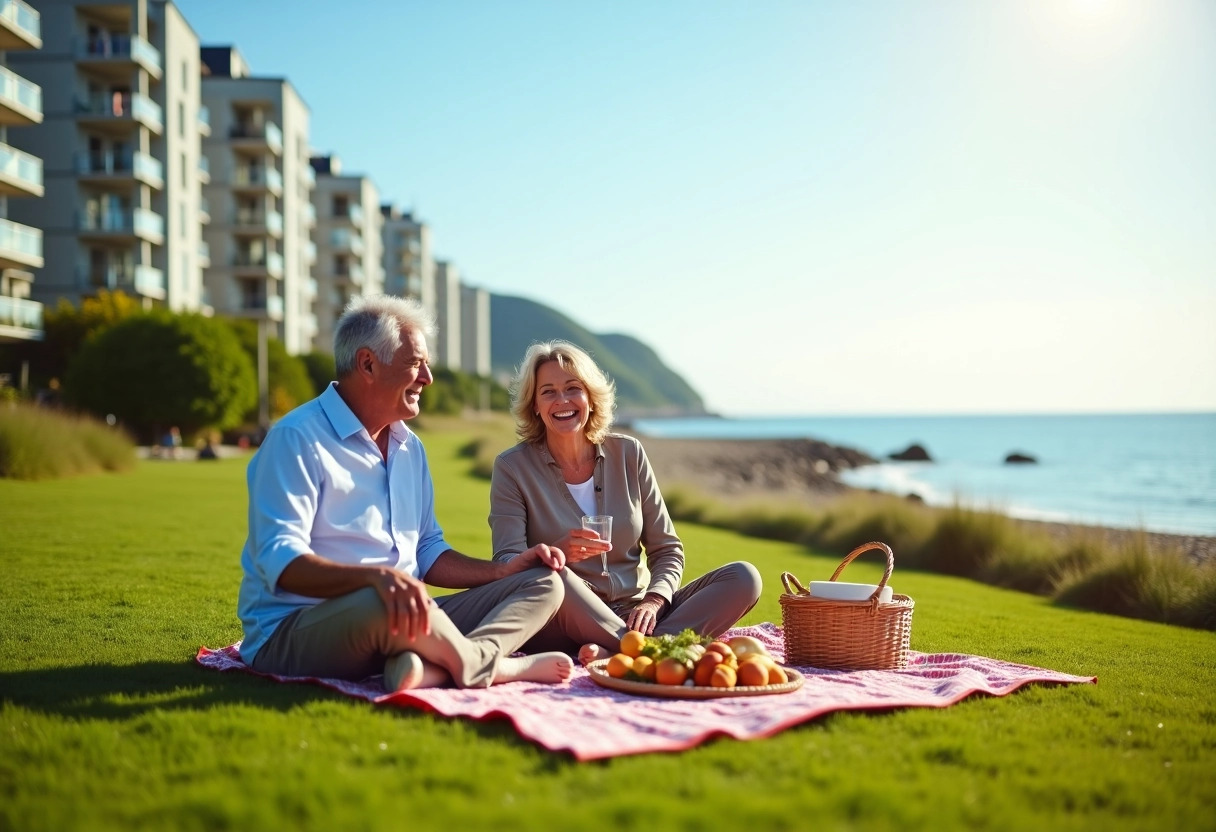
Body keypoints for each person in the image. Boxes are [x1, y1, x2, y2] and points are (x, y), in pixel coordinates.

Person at [237, 295, 574, 692]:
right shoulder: (296, 439)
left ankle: (432, 667)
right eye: (416, 363)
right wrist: (377, 580)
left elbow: (427, 550)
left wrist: (503, 571)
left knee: (544, 582)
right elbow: (281, 562)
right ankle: (492, 666)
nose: (428, 377)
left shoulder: (408, 446)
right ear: (367, 364)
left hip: (402, 614)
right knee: (387, 598)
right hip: (295, 631)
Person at [490, 341, 763, 664]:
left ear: (590, 397)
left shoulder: (628, 454)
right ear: (534, 405)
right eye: (548, 392)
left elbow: (667, 549)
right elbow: (507, 561)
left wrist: (655, 600)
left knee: (744, 578)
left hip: (637, 613)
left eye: (572, 388)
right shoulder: (512, 467)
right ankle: (652, 651)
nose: (562, 400)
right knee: (556, 579)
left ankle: (620, 650)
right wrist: (558, 553)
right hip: (562, 617)